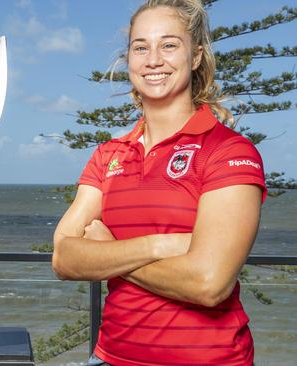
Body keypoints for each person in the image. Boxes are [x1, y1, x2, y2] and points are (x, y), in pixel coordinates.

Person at [52, 1, 266, 365]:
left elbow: (208, 284)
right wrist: (161, 244)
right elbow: (64, 258)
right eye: (140, 47)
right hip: (109, 358)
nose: (153, 60)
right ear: (129, 60)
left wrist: (110, 252)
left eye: (169, 45)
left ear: (196, 56)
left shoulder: (227, 150)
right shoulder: (109, 155)